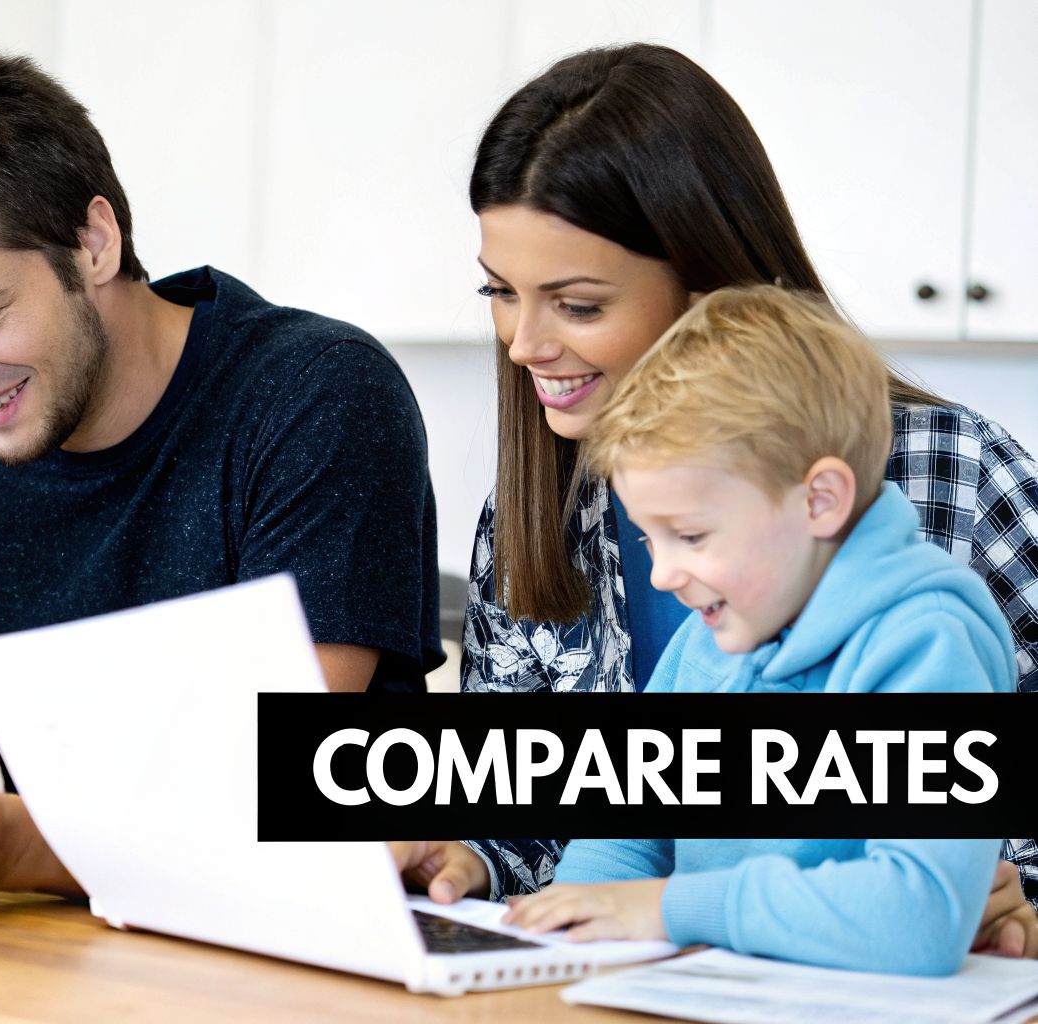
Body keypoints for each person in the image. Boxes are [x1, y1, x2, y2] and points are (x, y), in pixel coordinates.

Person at [394, 42, 1038, 956]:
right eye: (500, 293)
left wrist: (1008, 896)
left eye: (576, 305)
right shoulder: (554, 511)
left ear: (704, 288)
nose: (523, 344)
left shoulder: (959, 483)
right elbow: (569, 822)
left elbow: (935, 889)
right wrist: (482, 866)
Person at [0, 38, 441, 907]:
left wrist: (22, 847)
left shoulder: (316, 393)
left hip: (309, 942)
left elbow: (286, 785)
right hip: (59, 953)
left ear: (93, 241)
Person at [494, 285, 1013, 974]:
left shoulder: (925, 646)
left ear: (819, 501)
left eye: (691, 535)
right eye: (653, 541)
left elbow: (918, 915)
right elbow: (624, 839)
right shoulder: (707, 642)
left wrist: (669, 907)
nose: (664, 575)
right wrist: (558, 929)